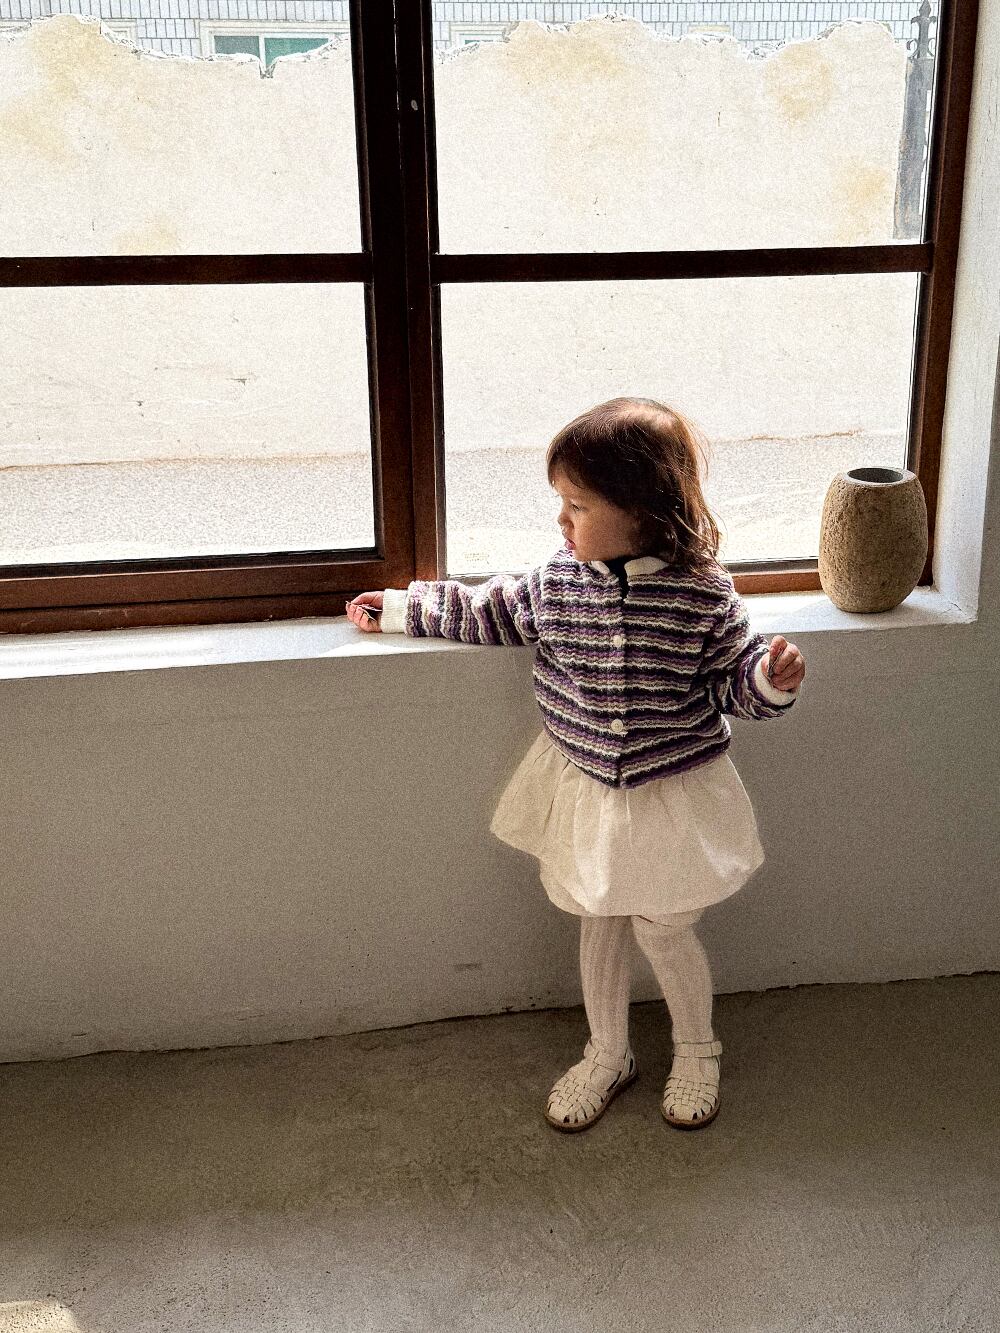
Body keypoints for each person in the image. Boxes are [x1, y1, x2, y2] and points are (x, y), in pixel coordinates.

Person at [346, 396, 806, 1133]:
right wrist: (401, 609)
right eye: (561, 503)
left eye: (578, 506)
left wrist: (769, 681)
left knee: (664, 928)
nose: (562, 521)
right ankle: (608, 1052)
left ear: (644, 509)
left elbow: (730, 680)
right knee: (599, 920)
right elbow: (487, 610)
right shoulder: (556, 582)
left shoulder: (702, 592)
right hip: (590, 788)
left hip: (669, 793)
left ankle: (697, 1049)